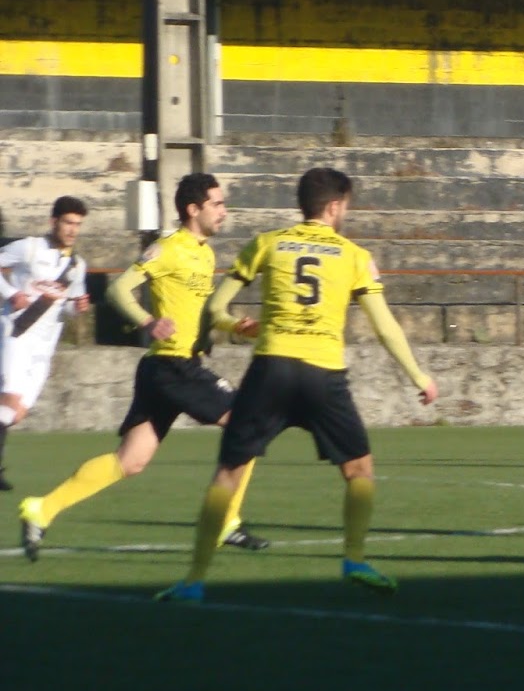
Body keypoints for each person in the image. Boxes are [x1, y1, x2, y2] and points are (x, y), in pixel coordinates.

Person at [154, 166, 438, 602]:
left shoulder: (267, 243)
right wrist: (419, 376)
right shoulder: (355, 255)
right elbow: (385, 327)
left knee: (228, 474)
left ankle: (193, 580)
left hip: (271, 368)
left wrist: (235, 327)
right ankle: (354, 559)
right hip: (323, 373)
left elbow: (215, 307)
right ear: (334, 207)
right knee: (359, 470)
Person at [18, 174, 269, 561]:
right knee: (248, 424)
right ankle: (226, 521)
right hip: (172, 365)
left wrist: (235, 325)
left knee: (130, 461)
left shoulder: (204, 254)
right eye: (217, 204)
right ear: (193, 209)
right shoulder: (167, 248)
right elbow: (119, 289)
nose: (224, 211)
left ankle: (41, 508)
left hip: (165, 369)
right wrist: (148, 322)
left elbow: (204, 314)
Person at [0, 196, 92, 492]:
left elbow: (67, 306)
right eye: (68, 223)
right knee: (9, 400)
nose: (73, 230)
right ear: (54, 222)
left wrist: (77, 307)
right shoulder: (29, 248)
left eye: (78, 224)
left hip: (44, 346)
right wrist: (11, 293)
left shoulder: (76, 265)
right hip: (17, 334)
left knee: (15, 413)